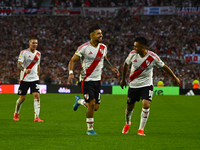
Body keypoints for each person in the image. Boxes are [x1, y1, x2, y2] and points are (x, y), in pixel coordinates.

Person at [120, 37, 180, 136]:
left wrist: (174, 77)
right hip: (134, 85)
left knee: (146, 105)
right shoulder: (132, 54)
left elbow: (164, 67)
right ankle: (127, 123)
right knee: (129, 108)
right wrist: (123, 79)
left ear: (142, 47)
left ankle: (141, 129)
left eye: (136, 46)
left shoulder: (153, 57)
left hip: (146, 84)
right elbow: (126, 64)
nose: (134, 48)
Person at [68, 25, 119, 135]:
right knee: (91, 104)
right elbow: (72, 60)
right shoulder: (84, 48)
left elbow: (104, 60)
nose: (101, 35)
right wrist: (71, 73)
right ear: (91, 36)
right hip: (86, 80)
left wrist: (112, 68)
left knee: (95, 107)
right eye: (98, 33)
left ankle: (79, 101)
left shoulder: (103, 47)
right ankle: (90, 129)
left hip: (97, 80)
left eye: (101, 33)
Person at [13, 38, 44, 122]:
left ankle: (36, 117)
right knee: (22, 98)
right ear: (29, 43)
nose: (35, 44)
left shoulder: (38, 54)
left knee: (37, 96)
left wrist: (38, 75)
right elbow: (19, 64)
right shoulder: (24, 53)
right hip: (25, 78)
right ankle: (16, 113)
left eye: (36, 43)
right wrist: (24, 70)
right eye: (33, 43)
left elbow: (38, 65)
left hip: (35, 79)